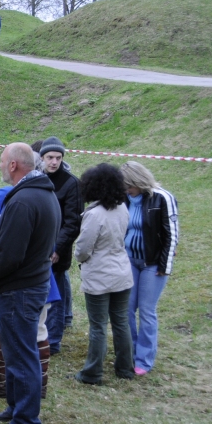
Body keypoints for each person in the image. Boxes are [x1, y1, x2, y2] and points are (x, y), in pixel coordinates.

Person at [0, 143, 60, 424]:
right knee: (14, 353)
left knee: (22, 355)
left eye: (2, 162)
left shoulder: (24, 200)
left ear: (14, 165)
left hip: (21, 289)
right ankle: (15, 407)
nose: (0, 166)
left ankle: (26, 421)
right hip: (28, 284)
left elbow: (9, 254)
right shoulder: (41, 193)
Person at [0, 184, 57, 399]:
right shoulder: (47, 194)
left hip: (12, 280)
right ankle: (39, 386)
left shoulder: (11, 194)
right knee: (38, 329)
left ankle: (1, 384)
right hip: (43, 277)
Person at [73, 164, 135, 384]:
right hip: (122, 273)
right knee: (121, 323)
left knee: (98, 326)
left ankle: (92, 373)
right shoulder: (123, 209)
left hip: (99, 276)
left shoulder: (94, 215)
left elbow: (82, 250)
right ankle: (125, 368)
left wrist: (81, 259)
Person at [120, 161, 179, 376]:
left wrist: (165, 266)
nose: (127, 190)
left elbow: (171, 235)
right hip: (129, 261)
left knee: (146, 311)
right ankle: (129, 352)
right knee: (125, 309)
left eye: (130, 186)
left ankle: (144, 360)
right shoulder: (124, 199)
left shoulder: (162, 198)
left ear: (139, 181)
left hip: (152, 265)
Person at [38, 137, 83, 355]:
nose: (54, 162)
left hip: (58, 251)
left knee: (55, 295)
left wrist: (57, 248)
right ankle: (43, 333)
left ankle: (53, 341)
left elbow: (73, 222)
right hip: (39, 247)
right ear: (42, 158)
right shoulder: (38, 178)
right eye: (50, 158)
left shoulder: (71, 183)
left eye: (58, 158)